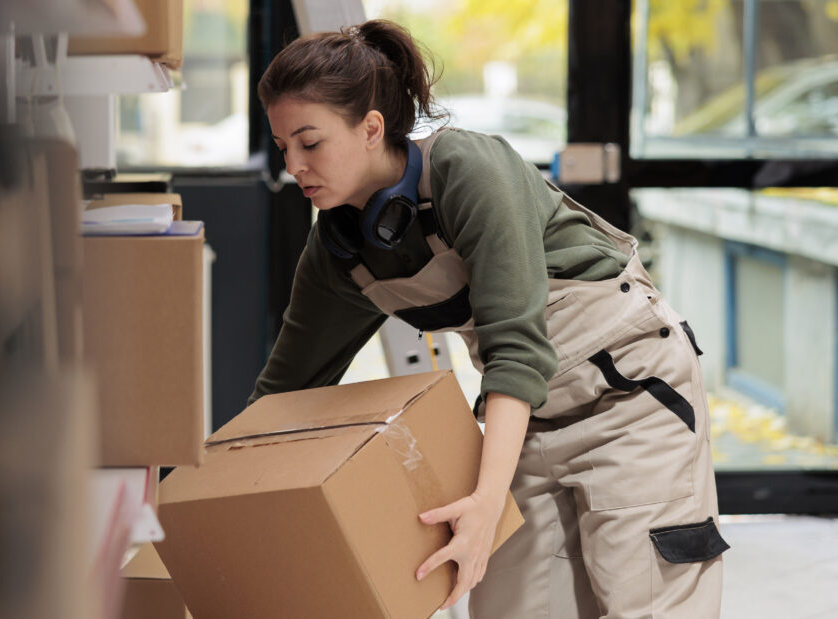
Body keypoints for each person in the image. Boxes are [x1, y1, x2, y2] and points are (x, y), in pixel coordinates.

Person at [250, 18, 728, 619]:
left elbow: (515, 349)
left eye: (309, 142)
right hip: (524, 421)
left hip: (629, 399)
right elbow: (280, 398)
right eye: (284, 147)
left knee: (647, 604)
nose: (294, 164)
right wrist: (203, 513)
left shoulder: (466, 169)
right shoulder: (340, 252)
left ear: (371, 128)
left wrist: (483, 503)